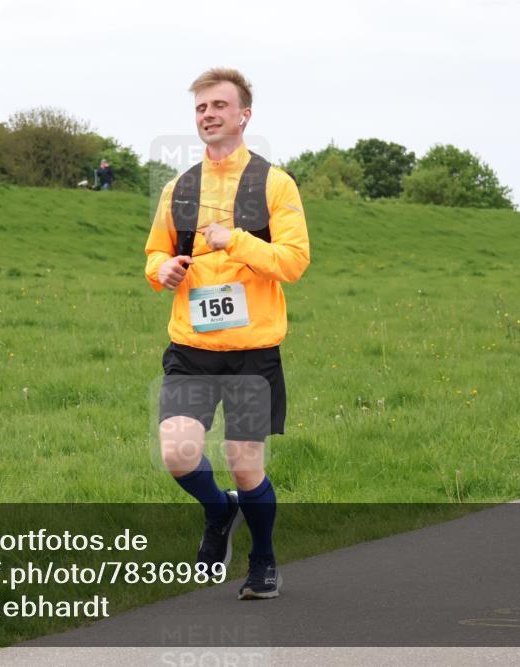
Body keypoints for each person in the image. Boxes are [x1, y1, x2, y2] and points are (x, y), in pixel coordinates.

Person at [143, 68, 310, 600]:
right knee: (177, 453)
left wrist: (235, 240)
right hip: (191, 349)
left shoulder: (274, 184)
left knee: (244, 465)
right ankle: (219, 513)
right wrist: (161, 271)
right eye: (200, 109)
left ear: (244, 115)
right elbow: (156, 252)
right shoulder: (179, 187)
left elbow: (293, 261)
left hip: (252, 353)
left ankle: (263, 558)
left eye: (219, 106)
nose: (208, 115)